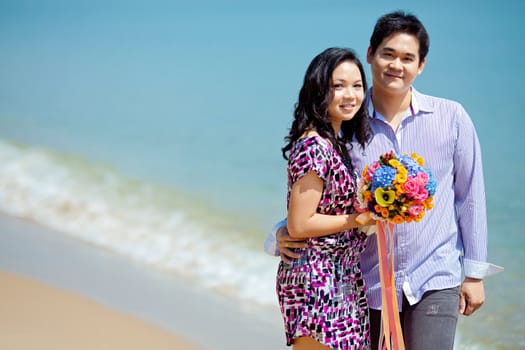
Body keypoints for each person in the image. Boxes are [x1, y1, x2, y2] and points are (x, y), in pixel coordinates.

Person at [266, 11, 501, 350]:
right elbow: (323, 194)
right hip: (366, 283)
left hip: (435, 276)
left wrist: (475, 274)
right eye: (388, 54)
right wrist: (280, 232)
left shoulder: (452, 118)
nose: (396, 65)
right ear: (371, 54)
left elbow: (471, 196)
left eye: (408, 58)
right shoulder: (345, 124)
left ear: (421, 66)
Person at [276, 47, 374, 350]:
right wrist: (357, 220)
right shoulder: (313, 145)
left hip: (340, 274)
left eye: (357, 86)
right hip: (315, 277)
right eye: (339, 86)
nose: (350, 95)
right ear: (320, 90)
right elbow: (300, 224)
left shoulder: (336, 143)